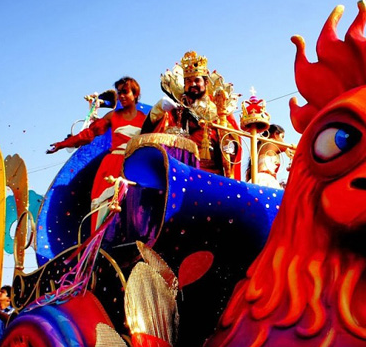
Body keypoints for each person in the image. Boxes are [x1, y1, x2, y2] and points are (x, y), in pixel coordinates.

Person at [48, 77, 147, 230]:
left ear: (135, 94)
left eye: (125, 92)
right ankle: (99, 244)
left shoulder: (145, 119)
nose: (121, 95)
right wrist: (63, 144)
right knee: (104, 208)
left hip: (133, 166)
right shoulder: (112, 116)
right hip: (112, 165)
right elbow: (88, 134)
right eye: (119, 92)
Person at [142, 51, 241, 179]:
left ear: (206, 83)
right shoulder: (177, 109)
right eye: (188, 81)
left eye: (197, 80)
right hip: (182, 173)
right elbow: (150, 133)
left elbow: (232, 142)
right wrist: (158, 110)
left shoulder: (219, 107)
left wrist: (224, 132)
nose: (192, 84)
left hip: (212, 175)